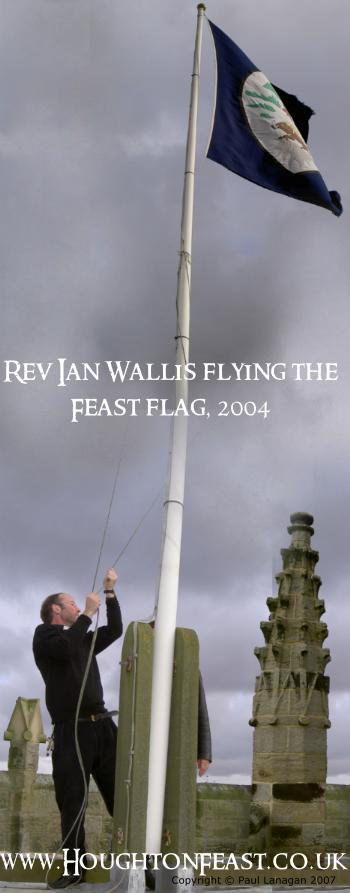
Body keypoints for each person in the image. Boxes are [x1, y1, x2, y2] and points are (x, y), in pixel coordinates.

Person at [33, 568, 122, 889]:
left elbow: (115, 630)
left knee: (123, 799)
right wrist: (87, 612)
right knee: (72, 802)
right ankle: (75, 870)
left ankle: (142, 866)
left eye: (76, 604)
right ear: (56, 610)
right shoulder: (45, 636)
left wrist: (110, 594)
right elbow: (65, 649)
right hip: (71, 731)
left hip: (104, 728)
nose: (76, 606)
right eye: (70, 603)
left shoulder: (82, 639)